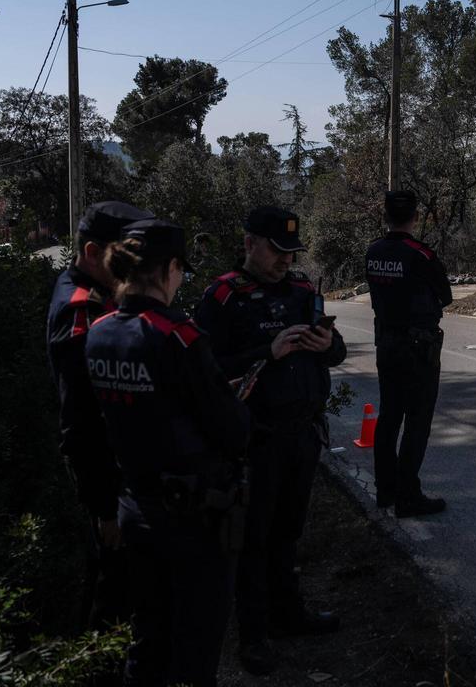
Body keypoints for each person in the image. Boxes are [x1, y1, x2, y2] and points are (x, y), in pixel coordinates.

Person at [86, 219, 251, 687]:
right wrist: (232, 399)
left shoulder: (100, 332)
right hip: (194, 518)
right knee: (196, 650)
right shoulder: (177, 334)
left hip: (136, 509)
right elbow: (232, 430)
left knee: (147, 639)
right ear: (171, 268)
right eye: (181, 272)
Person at [194, 206, 346, 676]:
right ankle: (254, 635)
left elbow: (335, 351)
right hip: (255, 440)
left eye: (291, 253)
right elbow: (206, 372)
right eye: (278, 252)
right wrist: (268, 350)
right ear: (249, 244)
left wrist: (329, 346)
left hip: (302, 434)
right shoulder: (222, 297)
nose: (285, 261)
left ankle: (288, 614)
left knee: (288, 532)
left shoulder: (303, 290)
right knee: (252, 540)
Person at [46, 200, 153, 633]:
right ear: (93, 253)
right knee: (113, 595)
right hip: (108, 479)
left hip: (122, 472)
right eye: (125, 255)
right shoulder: (81, 311)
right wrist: (106, 508)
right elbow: (82, 422)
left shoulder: (101, 292)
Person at [364, 190, 453, 518]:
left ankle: (385, 491)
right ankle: (408, 495)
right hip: (418, 350)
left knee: (389, 417)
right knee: (417, 422)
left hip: (385, 345)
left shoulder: (373, 252)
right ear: (415, 217)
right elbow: (445, 296)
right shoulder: (420, 255)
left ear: (385, 216)